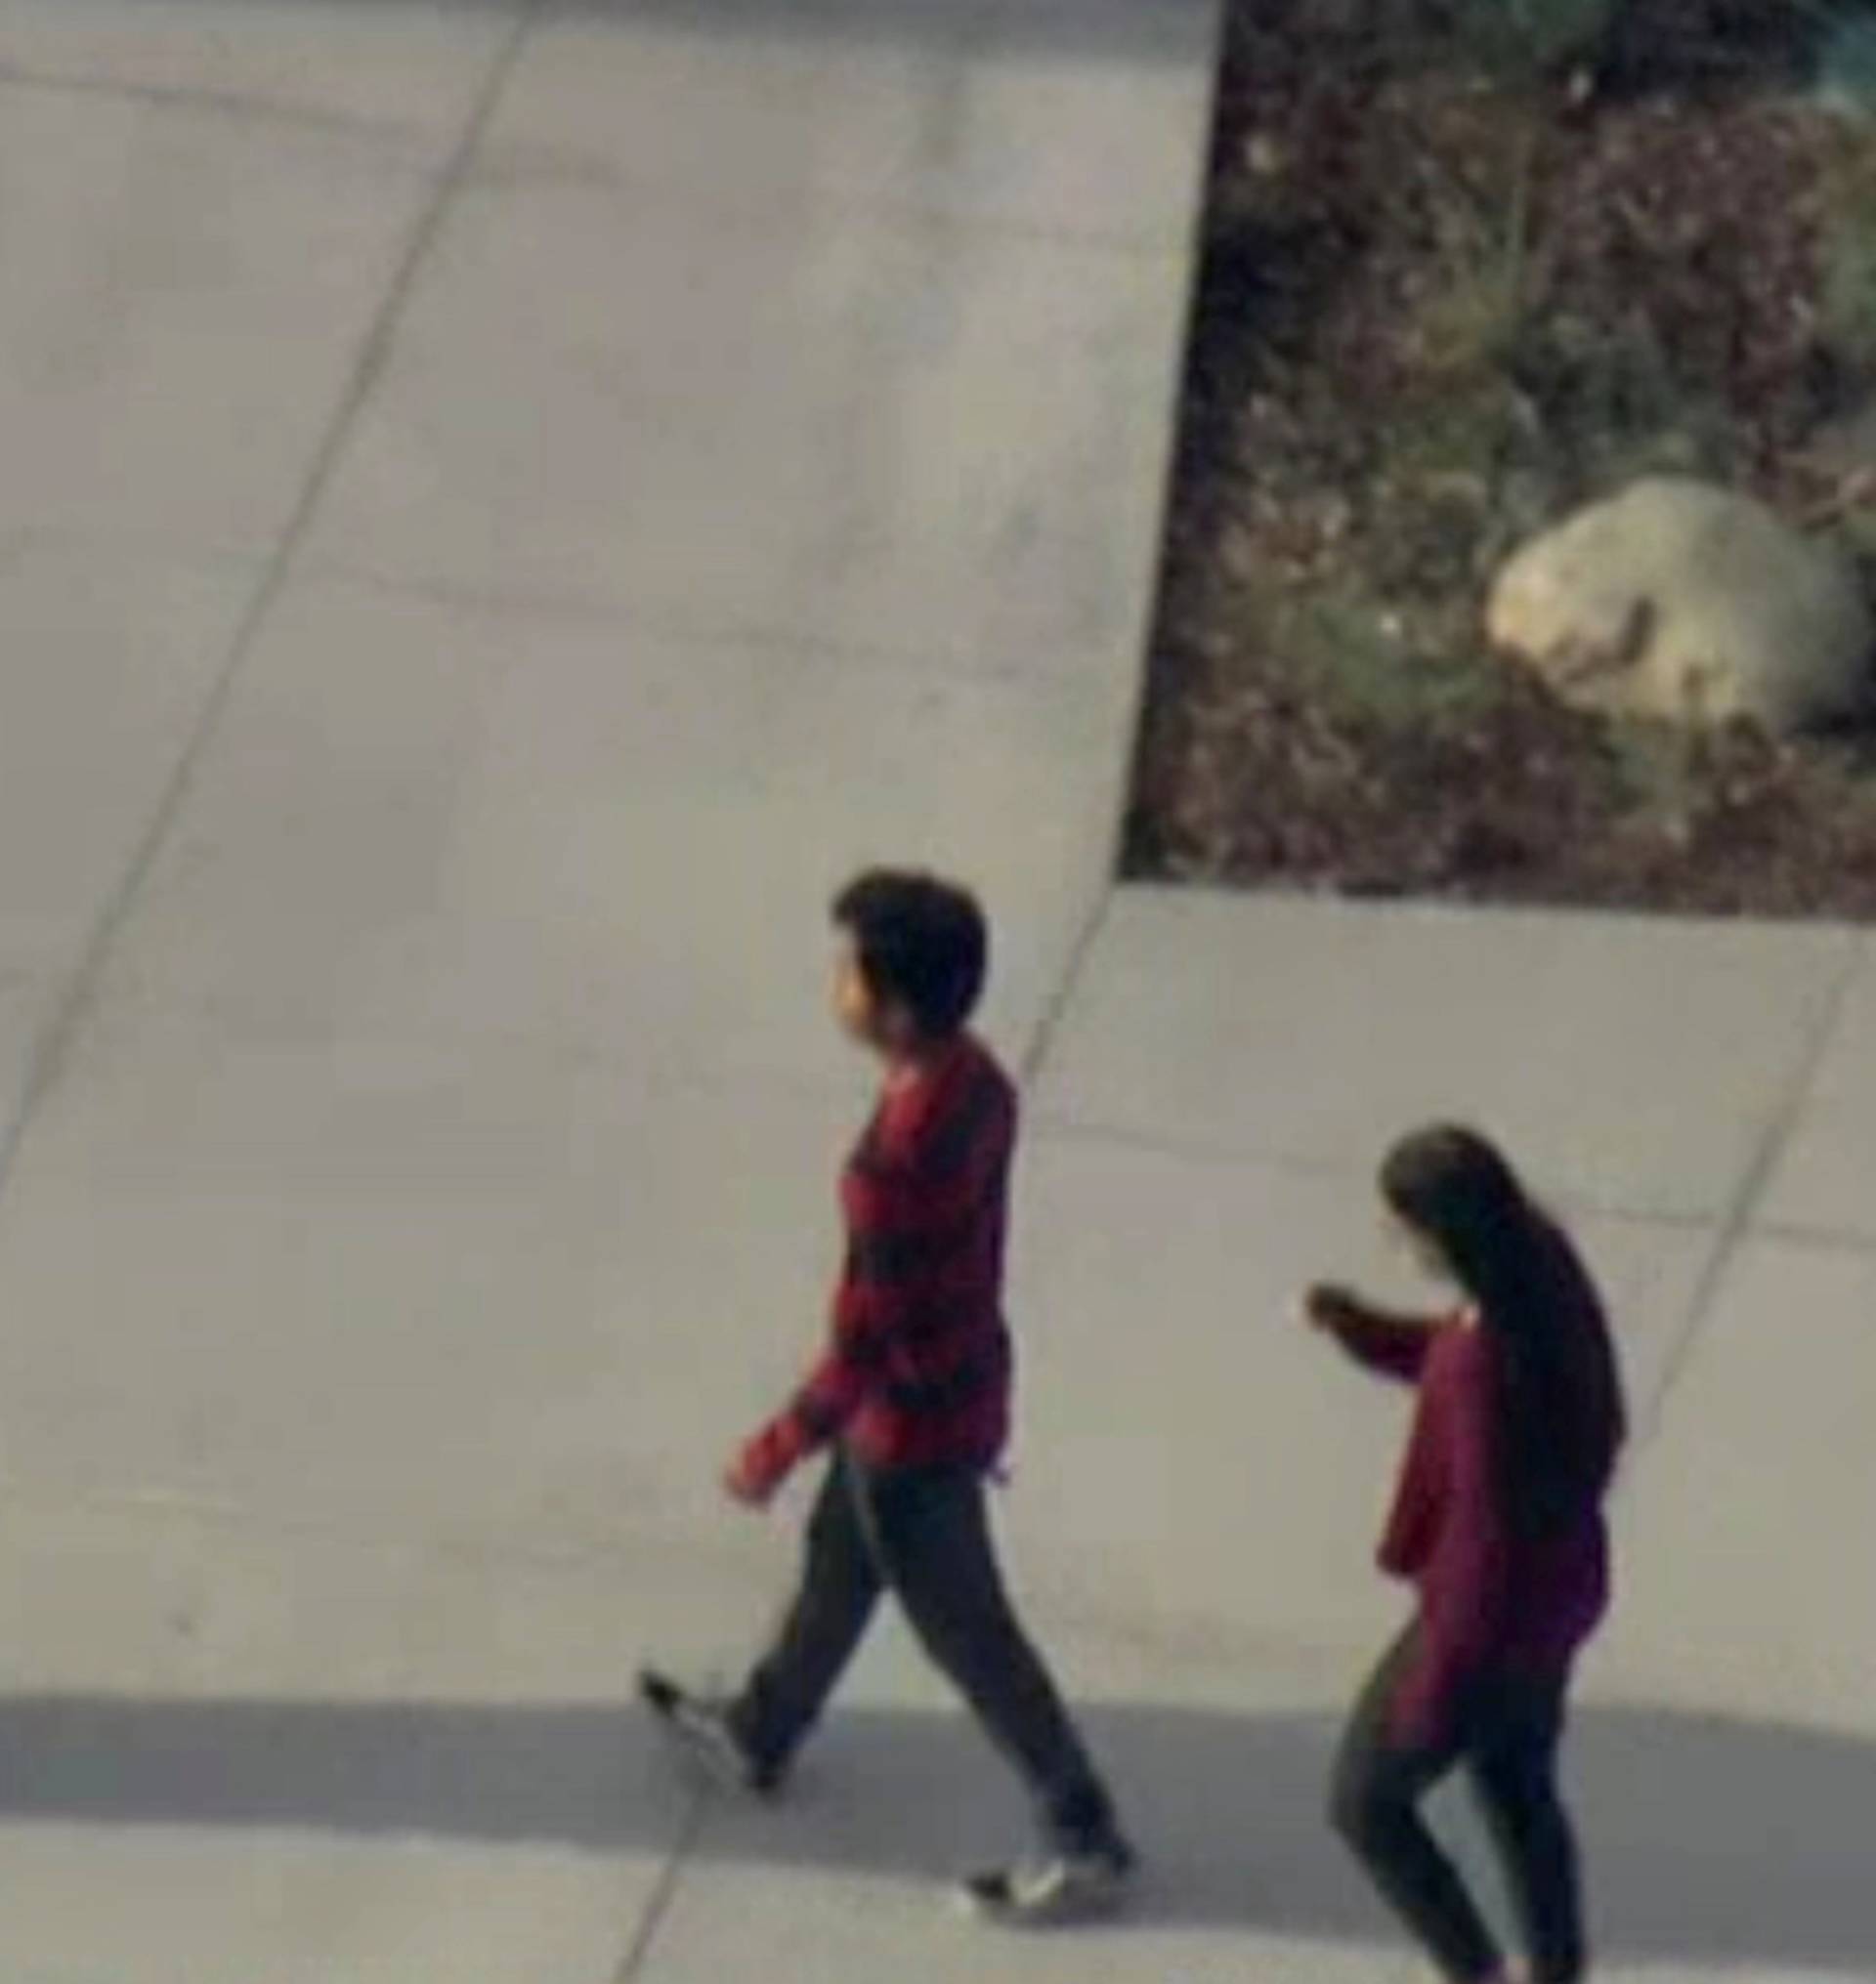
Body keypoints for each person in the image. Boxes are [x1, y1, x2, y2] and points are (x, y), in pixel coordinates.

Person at [641, 868, 1133, 1923]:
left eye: (849, 972)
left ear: (895, 1009)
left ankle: (1082, 1828)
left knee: (972, 1637)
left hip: (914, 1427)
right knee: (839, 1562)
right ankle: (762, 1733)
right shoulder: (978, 1085)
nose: (837, 986)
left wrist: (776, 1446)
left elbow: (869, 1335)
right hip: (957, 1385)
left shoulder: (891, 1165)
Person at [1305, 1125, 1626, 1984]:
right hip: (1559, 1596)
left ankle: (1473, 1969)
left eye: (1403, 1228)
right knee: (1518, 1791)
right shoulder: (1536, 1269)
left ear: (1445, 1235)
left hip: (1486, 1625)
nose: (1395, 1242)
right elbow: (1449, 1351)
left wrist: (1431, 1691)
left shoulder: (1487, 1365)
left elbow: (1480, 1545)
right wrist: (1365, 1331)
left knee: (1365, 1801)